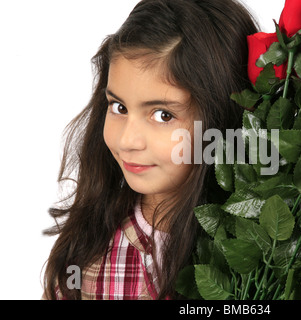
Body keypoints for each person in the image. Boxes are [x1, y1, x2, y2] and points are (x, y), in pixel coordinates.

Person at [42, 0, 258, 300]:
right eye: (118, 107)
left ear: (222, 120)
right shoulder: (88, 254)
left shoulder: (264, 254)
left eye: (162, 115)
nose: (127, 140)